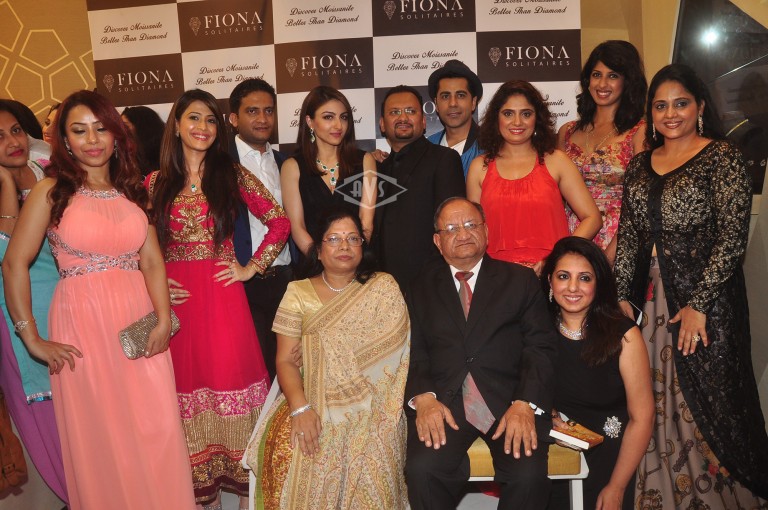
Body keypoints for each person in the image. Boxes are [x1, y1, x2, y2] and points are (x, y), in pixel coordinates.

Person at [2, 90, 195, 509]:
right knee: (102, 436)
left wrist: (164, 318)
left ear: (116, 135)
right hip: (81, 324)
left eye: (101, 128)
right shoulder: (51, 191)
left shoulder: (133, 192)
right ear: (64, 140)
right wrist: (30, 338)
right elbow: (14, 263)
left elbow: (152, 261)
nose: (92, 139)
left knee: (157, 428)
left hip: (138, 324)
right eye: (79, 130)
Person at [615, 63, 768, 506]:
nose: (670, 114)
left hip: (710, 304)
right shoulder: (639, 166)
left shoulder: (722, 158)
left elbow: (732, 237)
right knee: (651, 396)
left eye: (680, 103)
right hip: (651, 303)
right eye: (660, 106)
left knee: (714, 404)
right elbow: (629, 237)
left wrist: (700, 304)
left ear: (700, 106)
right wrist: (621, 299)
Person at [147, 88, 290, 508]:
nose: (203, 127)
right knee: (184, 393)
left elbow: (279, 223)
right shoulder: (153, 183)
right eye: (194, 118)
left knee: (232, 383)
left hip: (223, 298)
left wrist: (251, 267)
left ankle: (247, 498)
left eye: (211, 120)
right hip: (177, 303)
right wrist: (152, 282)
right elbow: (136, 245)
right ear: (176, 125)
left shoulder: (231, 174)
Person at [245, 206, 410, 509]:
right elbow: (285, 361)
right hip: (307, 391)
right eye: (334, 239)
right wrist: (301, 408)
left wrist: (314, 346)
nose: (344, 245)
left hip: (375, 399)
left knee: (376, 448)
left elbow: (393, 350)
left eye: (352, 238)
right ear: (319, 251)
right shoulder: (297, 292)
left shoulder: (383, 287)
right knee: (288, 447)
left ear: (363, 246)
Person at [404, 197, 558, 510]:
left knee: (528, 477)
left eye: (470, 224)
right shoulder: (419, 287)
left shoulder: (520, 280)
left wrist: (525, 403)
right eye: (451, 228)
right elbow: (414, 351)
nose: (462, 234)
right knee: (422, 472)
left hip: (509, 402)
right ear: (437, 241)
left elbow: (540, 347)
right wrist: (424, 398)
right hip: (446, 405)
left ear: (486, 231)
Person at [541, 237, 653, 510]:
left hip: (611, 459)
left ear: (598, 284)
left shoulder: (624, 335)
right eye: (563, 276)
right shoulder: (536, 331)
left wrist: (617, 487)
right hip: (553, 452)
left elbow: (643, 417)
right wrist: (550, 414)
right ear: (549, 281)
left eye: (585, 278)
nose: (573, 287)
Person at [0, 100, 67, 502]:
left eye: (15, 131)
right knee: (49, 420)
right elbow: (7, 259)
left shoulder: (46, 172)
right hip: (20, 318)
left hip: (69, 307)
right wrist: (7, 190)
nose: (12, 142)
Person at [466, 80, 601, 275]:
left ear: (537, 118)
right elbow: (473, 230)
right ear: (496, 118)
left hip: (550, 274)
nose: (517, 122)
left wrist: (556, 258)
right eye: (508, 113)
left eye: (526, 114)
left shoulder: (556, 161)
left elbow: (592, 218)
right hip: (497, 277)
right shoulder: (479, 167)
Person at [557, 41, 647, 264]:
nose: (603, 83)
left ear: (627, 81)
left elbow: (641, 204)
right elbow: (554, 199)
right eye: (596, 74)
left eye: (613, 76)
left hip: (617, 244)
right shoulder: (566, 132)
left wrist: (609, 257)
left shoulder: (639, 132)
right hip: (569, 240)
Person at [228, 78, 292, 382]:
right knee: (249, 372)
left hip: (285, 281)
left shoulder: (286, 162)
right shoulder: (218, 164)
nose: (263, 118)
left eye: (268, 110)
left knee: (287, 369)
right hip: (240, 284)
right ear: (234, 118)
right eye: (252, 111)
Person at [374, 85, 466, 289]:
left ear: (424, 121)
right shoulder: (376, 169)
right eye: (394, 112)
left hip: (430, 285)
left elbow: (452, 228)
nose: (403, 117)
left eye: (411, 111)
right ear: (382, 124)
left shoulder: (444, 159)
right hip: (381, 288)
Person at [281, 86, 377, 262]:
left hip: (356, 262)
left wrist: (351, 260)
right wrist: (322, 260)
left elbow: (366, 221)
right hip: (313, 264)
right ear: (310, 121)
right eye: (328, 117)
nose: (338, 125)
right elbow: (297, 226)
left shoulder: (365, 161)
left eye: (343, 117)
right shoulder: (292, 167)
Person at [426, 59, 483, 177]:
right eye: (445, 96)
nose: (452, 103)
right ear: (436, 104)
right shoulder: (426, 147)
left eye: (460, 95)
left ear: (473, 102)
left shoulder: (491, 146)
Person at [121, 105, 165, 176]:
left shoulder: (167, 157)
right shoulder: (121, 157)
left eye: (125, 126)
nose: (120, 130)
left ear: (141, 128)